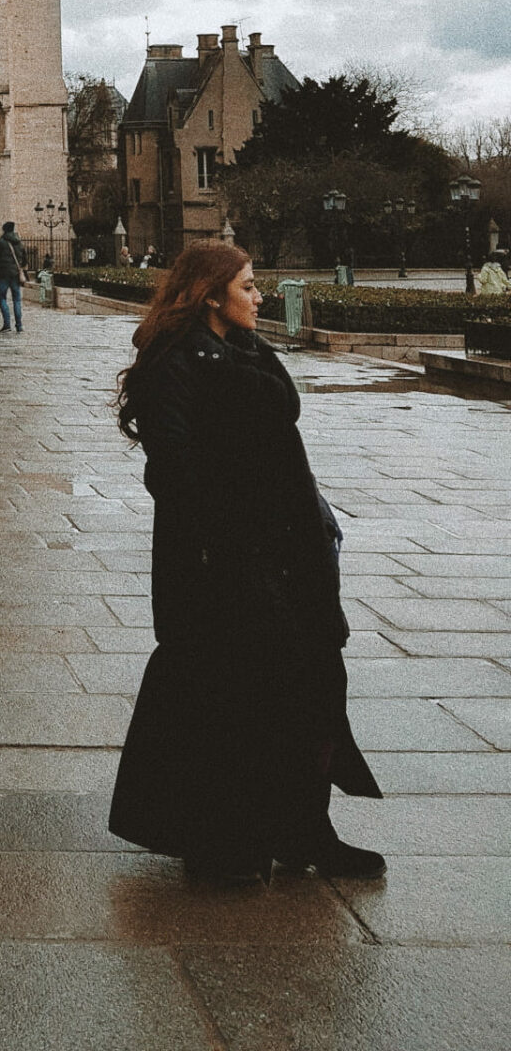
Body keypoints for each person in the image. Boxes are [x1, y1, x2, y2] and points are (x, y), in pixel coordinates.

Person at [108, 242, 383, 882]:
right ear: (211, 295)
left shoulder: (250, 351)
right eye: (250, 286)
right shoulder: (175, 363)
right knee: (229, 697)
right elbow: (170, 469)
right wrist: (228, 535)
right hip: (226, 559)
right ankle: (218, 840)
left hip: (292, 551)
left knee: (312, 684)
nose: (260, 297)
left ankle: (305, 829)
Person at [0, 221, 29, 333]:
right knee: (17, 300)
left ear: (4, 230)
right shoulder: (20, 243)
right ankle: (19, 325)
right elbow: (25, 260)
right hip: (16, 275)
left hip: (3, 274)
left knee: (2, 298)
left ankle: (7, 324)